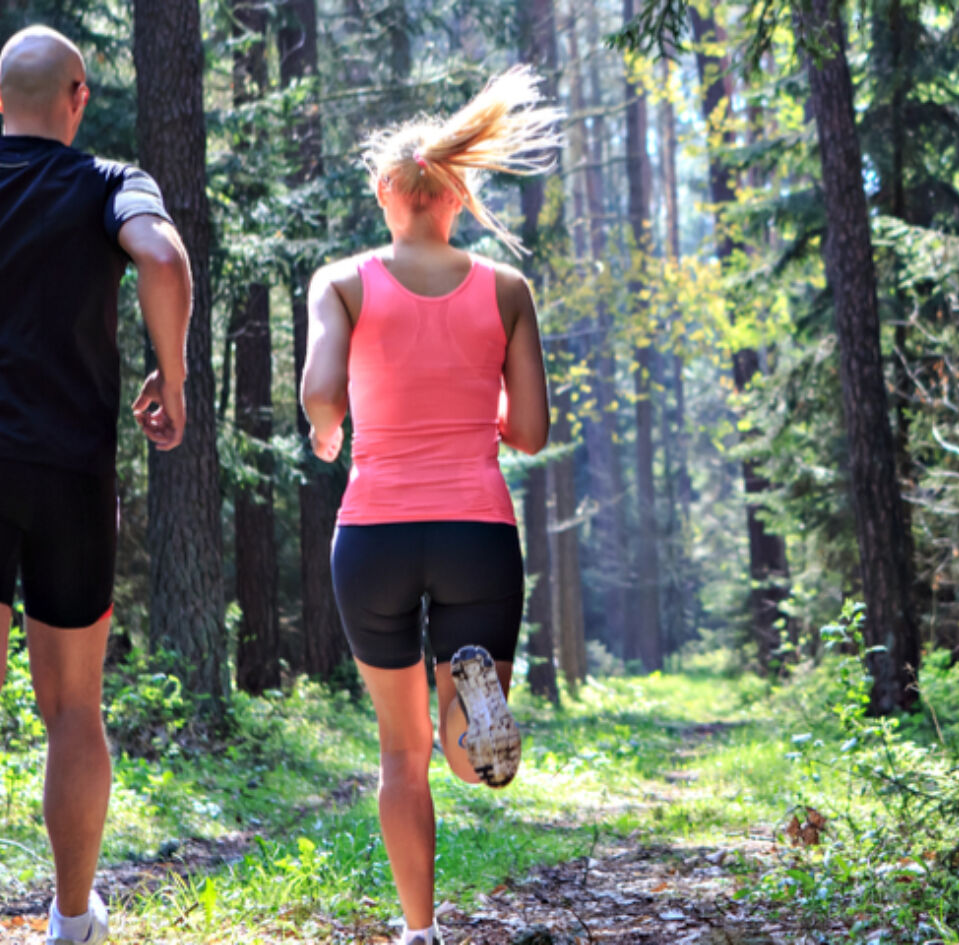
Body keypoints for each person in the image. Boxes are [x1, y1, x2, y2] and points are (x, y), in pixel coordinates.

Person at [299, 67, 555, 945]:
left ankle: (418, 931)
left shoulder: (342, 282)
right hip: (476, 529)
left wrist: (331, 427)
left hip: (373, 530)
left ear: (384, 195)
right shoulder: (508, 292)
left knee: (398, 754)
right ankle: (471, 705)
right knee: (460, 747)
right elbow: (527, 430)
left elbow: (321, 390)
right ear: (462, 192)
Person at [0, 24, 192, 945]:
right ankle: (71, 921)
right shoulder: (113, 182)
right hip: (69, 471)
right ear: (78, 97)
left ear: (0, 102)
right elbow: (161, 258)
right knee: (72, 705)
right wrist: (174, 377)